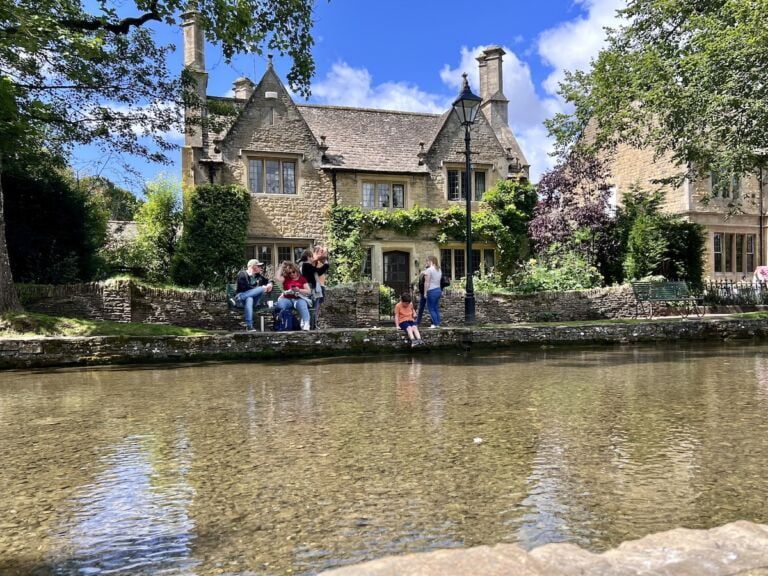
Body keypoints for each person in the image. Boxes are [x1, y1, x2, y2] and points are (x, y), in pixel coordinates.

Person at [232, 259, 273, 331]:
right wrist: (260, 289)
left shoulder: (258, 276)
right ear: (253, 267)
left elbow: (268, 280)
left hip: (254, 301)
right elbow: (244, 288)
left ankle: (238, 298)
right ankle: (249, 326)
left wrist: (270, 284)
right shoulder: (242, 274)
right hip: (242, 301)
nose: (260, 268)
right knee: (250, 298)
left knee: (259, 290)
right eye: (258, 266)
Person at [299, 245, 330, 329]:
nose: (312, 258)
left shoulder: (306, 265)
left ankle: (311, 324)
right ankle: (309, 324)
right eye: (311, 256)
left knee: (312, 307)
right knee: (312, 307)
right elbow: (319, 271)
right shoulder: (306, 265)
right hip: (310, 288)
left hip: (310, 288)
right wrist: (326, 264)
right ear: (308, 257)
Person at [275, 261, 312, 331]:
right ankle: (285, 323)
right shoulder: (286, 278)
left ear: (296, 271)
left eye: (293, 272)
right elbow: (277, 278)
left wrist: (299, 290)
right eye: (289, 273)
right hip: (287, 299)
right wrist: (281, 267)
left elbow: (308, 291)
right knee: (280, 305)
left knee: (302, 304)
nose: (292, 274)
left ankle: (306, 323)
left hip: (299, 299)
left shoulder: (302, 279)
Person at [423, 255, 443, 328]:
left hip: (431, 290)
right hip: (438, 289)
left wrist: (425, 292)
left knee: (431, 308)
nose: (426, 262)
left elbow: (427, 282)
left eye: (427, 261)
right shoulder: (439, 269)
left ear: (431, 261)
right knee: (436, 308)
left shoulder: (429, 270)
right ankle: (437, 323)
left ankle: (436, 324)